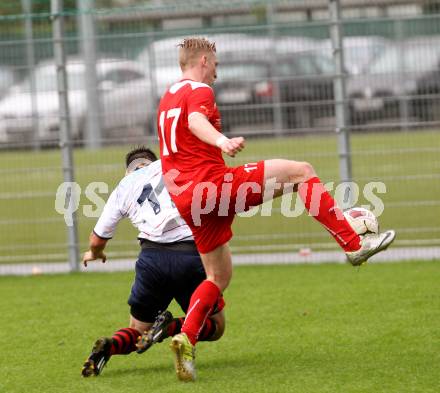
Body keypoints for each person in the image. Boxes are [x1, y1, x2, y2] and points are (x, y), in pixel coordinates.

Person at [157, 37, 396, 381]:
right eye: (217, 66)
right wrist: (221, 141)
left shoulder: (167, 96)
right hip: (210, 186)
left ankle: (187, 338)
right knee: (302, 171)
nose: (217, 74)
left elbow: (184, 130)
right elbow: (195, 121)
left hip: (184, 197)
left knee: (218, 276)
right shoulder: (199, 91)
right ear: (205, 60)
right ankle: (354, 245)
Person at [81, 146, 225, 378]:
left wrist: (94, 253)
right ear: (154, 162)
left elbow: (97, 239)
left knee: (137, 330)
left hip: (151, 260)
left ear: (128, 170)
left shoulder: (124, 186)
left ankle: (109, 345)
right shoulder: (173, 166)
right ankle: (170, 328)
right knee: (216, 326)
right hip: (191, 254)